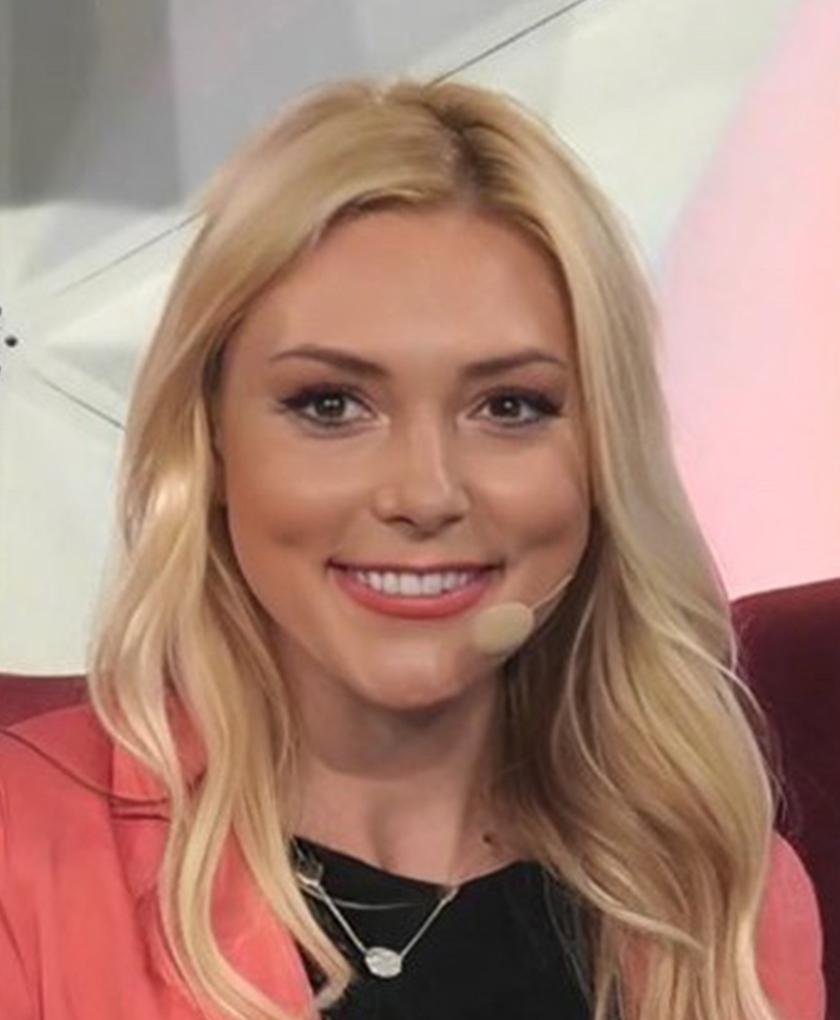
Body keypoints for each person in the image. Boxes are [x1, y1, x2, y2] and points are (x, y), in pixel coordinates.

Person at [0, 78, 825, 1020]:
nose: (426, 494)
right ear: (213, 443)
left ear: (602, 456)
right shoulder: (20, 853)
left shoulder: (728, 897)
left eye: (510, 406)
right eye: (330, 405)